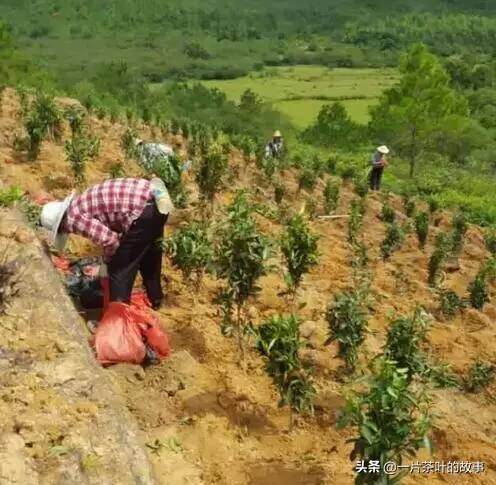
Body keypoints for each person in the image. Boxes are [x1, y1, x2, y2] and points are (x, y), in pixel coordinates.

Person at [40, 178, 173, 310]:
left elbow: (111, 241)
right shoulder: (80, 202)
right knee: (149, 257)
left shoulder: (73, 218)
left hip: (142, 211)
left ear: (60, 225)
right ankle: (156, 299)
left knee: (120, 271)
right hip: (158, 200)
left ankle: (118, 321)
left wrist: (106, 266)